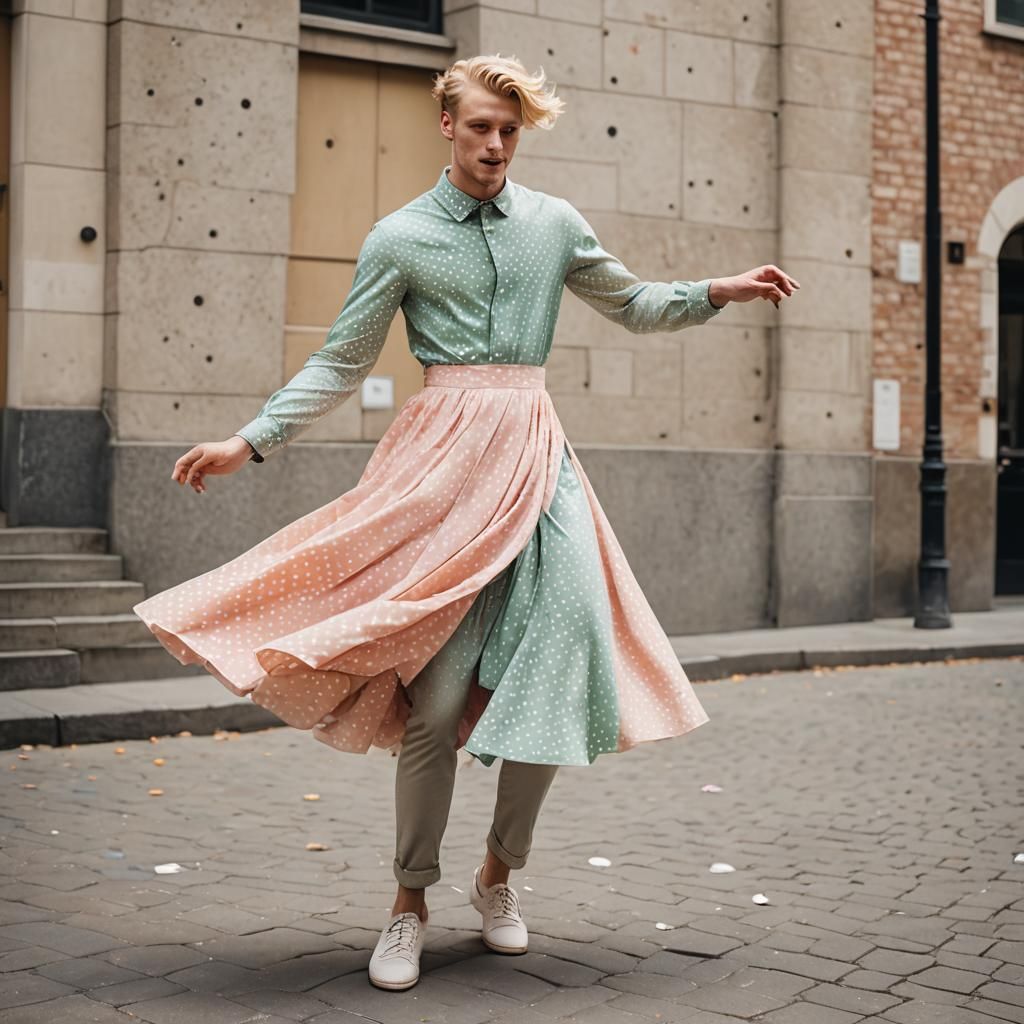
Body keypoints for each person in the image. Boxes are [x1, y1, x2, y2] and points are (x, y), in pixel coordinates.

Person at [132, 53, 800, 992]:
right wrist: (252, 440)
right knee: (437, 701)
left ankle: (498, 876)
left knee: (562, 666)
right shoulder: (399, 237)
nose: (496, 145)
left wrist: (715, 291)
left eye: (510, 131)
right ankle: (408, 901)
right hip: (444, 475)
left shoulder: (554, 224)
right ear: (446, 123)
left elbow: (635, 304)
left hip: (538, 463)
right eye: (482, 126)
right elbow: (338, 360)